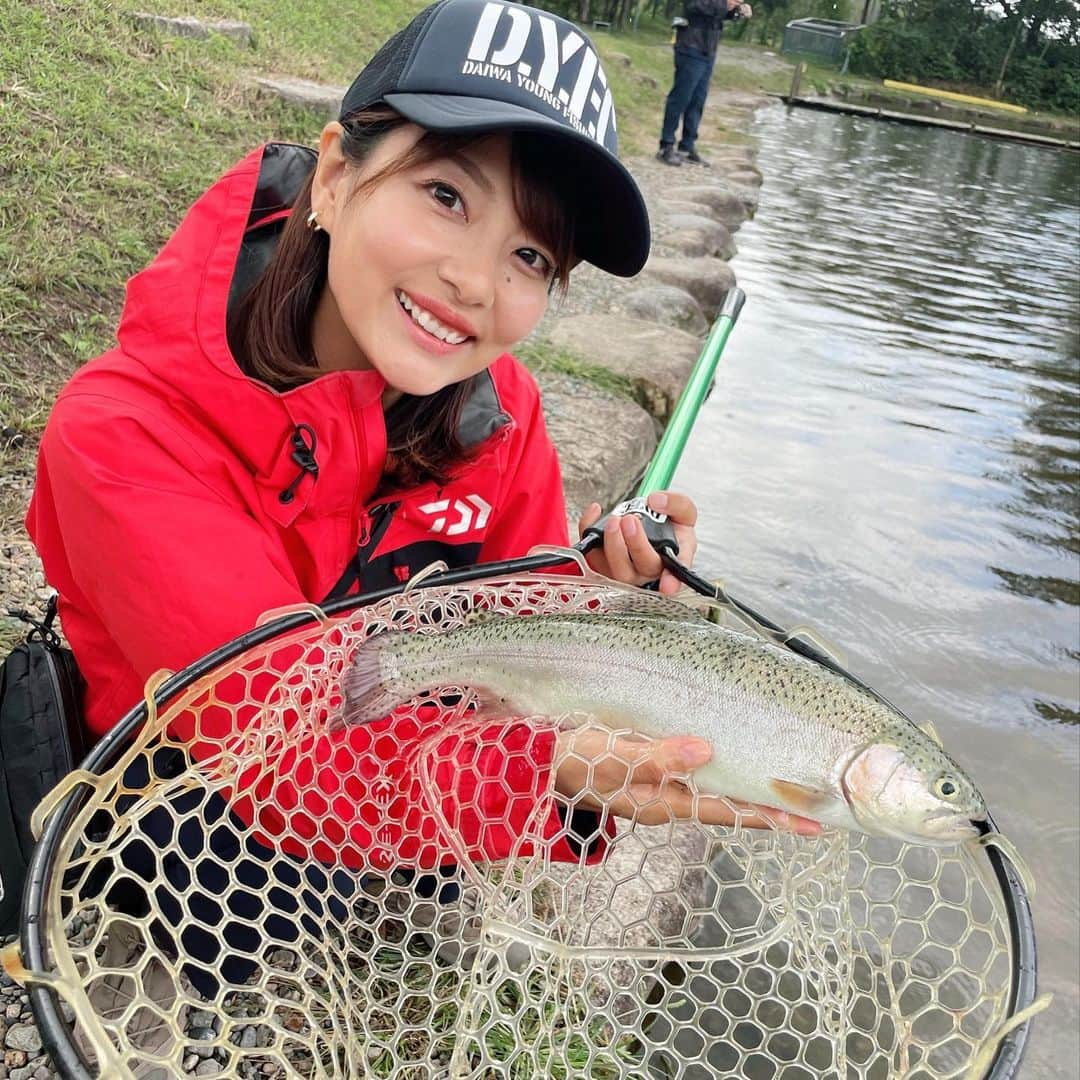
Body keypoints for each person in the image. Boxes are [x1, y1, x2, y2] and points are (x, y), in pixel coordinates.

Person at [27, 0, 815, 1008]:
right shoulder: (122, 432)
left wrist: (603, 595)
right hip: (189, 794)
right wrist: (557, 774)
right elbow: (284, 748)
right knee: (245, 906)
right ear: (336, 173)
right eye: (447, 194)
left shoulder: (500, 412)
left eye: (533, 256)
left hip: (389, 736)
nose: (475, 280)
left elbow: (519, 613)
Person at [657, 0, 753, 167]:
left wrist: (737, 11)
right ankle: (666, 146)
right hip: (690, 45)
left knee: (698, 100)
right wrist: (725, 4)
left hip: (708, 49)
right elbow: (694, 6)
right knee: (680, 98)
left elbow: (718, 13)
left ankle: (687, 147)